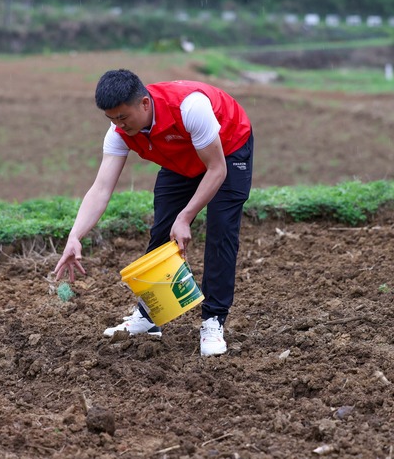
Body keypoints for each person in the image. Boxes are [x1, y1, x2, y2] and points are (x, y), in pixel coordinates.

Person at [54, 69, 253, 356]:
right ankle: (150, 317)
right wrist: (76, 235)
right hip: (181, 157)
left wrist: (186, 216)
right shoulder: (119, 132)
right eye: (112, 119)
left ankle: (213, 320)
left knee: (221, 230)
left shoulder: (190, 108)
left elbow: (216, 169)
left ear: (144, 104)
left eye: (123, 117)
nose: (119, 125)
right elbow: (101, 188)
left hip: (227, 150)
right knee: (161, 232)